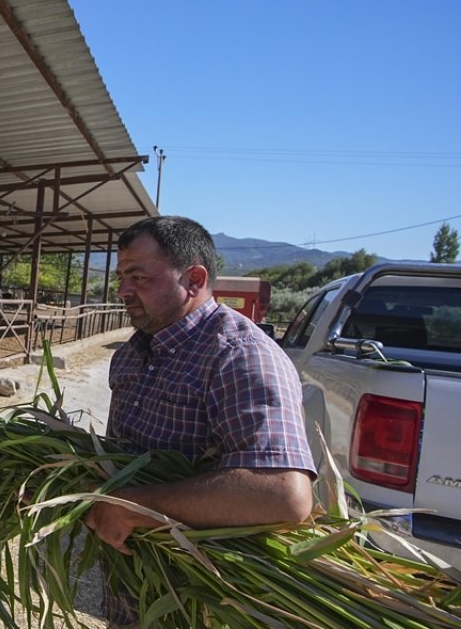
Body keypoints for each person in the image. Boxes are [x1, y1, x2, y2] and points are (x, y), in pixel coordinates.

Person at [82, 215, 316, 627]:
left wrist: (132, 507)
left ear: (193, 279)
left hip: (199, 599)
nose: (123, 292)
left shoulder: (239, 355)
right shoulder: (134, 351)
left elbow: (284, 496)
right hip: (133, 589)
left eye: (139, 277)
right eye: (121, 278)